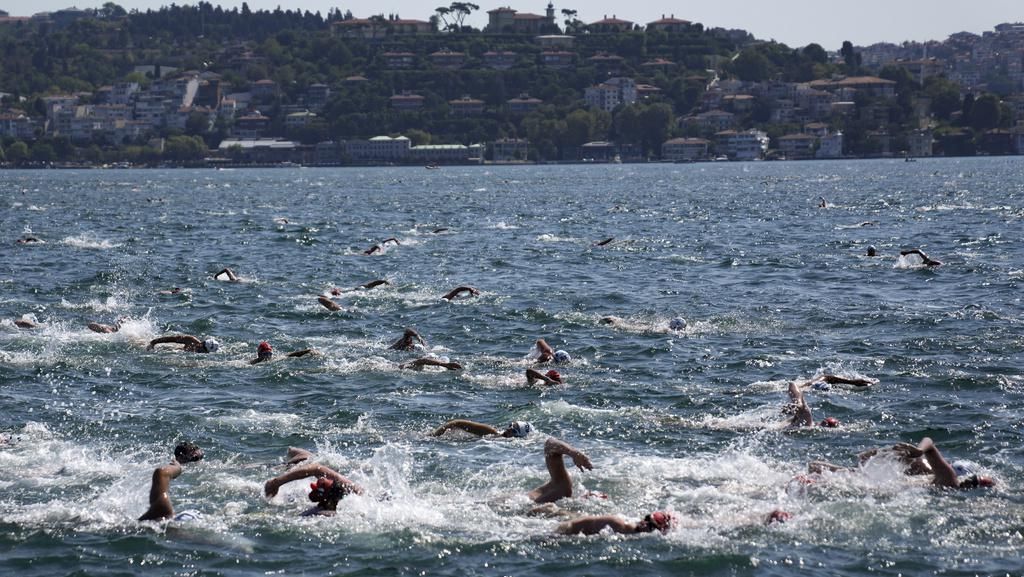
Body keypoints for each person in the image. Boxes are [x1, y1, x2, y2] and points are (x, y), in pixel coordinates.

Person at [263, 462, 364, 516]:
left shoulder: (319, 514)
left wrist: (276, 483)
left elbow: (316, 468)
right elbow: (316, 469)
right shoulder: (351, 493)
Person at [138, 442, 205, 522]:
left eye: (201, 457)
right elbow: (161, 473)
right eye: (195, 459)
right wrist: (178, 467)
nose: (199, 462)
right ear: (181, 458)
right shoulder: (162, 511)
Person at [909, 437, 994, 489]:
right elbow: (929, 442)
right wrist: (920, 450)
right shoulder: (950, 479)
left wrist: (919, 450)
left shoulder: (948, 479)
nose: (967, 482)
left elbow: (928, 442)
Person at [528, 437, 593, 504]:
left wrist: (574, 453)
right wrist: (574, 453)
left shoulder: (561, 490)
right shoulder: (562, 488)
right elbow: (550, 444)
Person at [556, 510, 675, 535]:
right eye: (647, 520)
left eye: (651, 527)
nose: (646, 525)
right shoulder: (618, 524)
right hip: (565, 529)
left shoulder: (627, 529)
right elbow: (574, 524)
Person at [432, 419, 532, 438]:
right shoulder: (491, 432)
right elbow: (457, 423)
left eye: (514, 430)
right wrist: (434, 435)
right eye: (511, 425)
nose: (509, 429)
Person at [249, 341, 316, 365]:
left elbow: (292, 355)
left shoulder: (275, 359)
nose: (267, 357)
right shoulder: (253, 363)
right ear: (259, 355)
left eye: (269, 354)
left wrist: (308, 351)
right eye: (265, 354)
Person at [148, 334, 220, 353]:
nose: (199, 345)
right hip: (172, 348)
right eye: (202, 343)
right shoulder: (190, 340)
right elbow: (171, 339)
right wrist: (153, 342)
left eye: (202, 348)